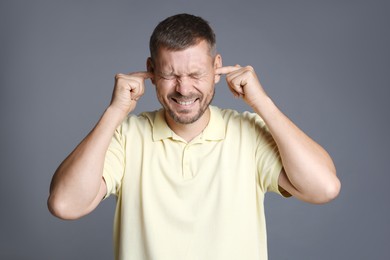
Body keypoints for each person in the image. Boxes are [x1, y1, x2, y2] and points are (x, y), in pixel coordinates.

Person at [48, 13, 340, 260]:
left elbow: (324, 187)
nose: (183, 89)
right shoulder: (127, 137)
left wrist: (261, 103)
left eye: (196, 74)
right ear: (150, 71)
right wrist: (115, 111)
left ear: (217, 70)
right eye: (170, 75)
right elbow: (65, 204)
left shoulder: (247, 133)